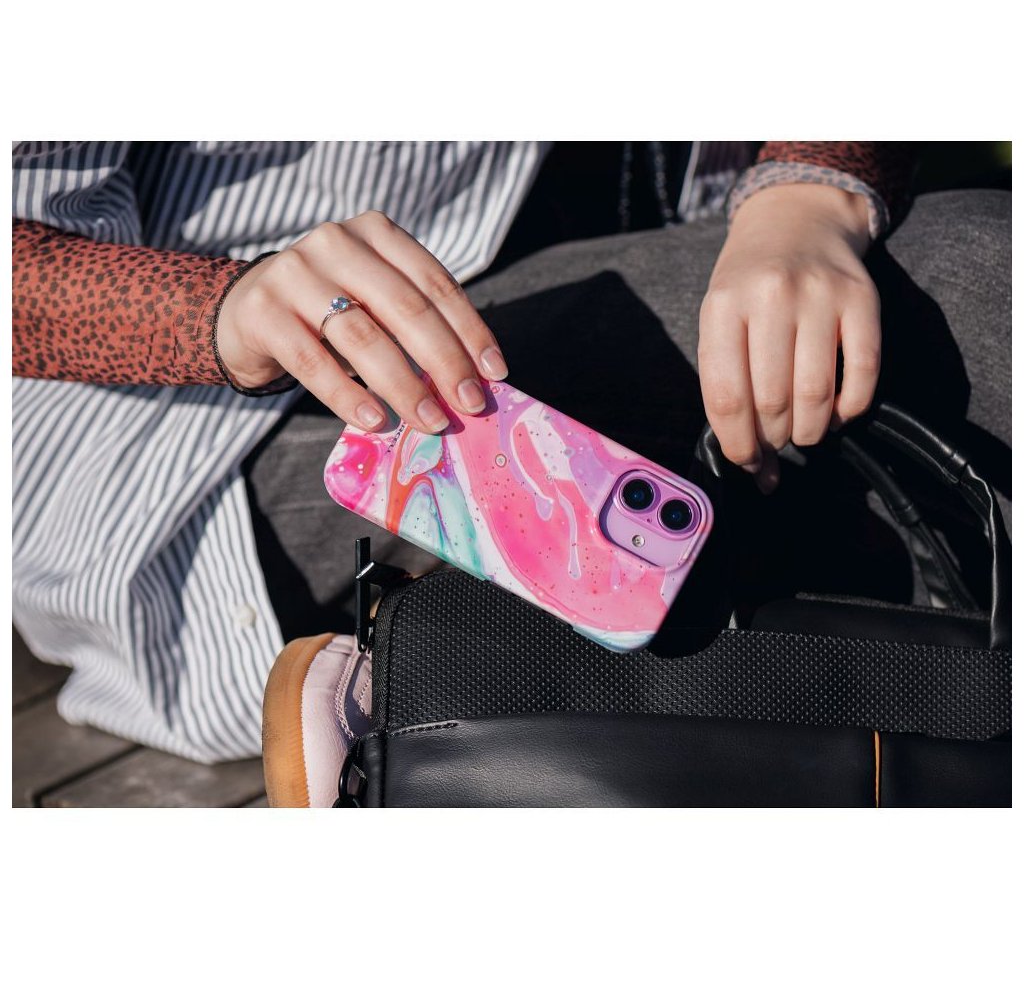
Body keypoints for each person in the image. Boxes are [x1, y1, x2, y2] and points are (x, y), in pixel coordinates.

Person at [11, 142, 1010, 779]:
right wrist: (225, 306)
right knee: (975, 284)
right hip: (230, 439)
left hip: (660, 255)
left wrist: (805, 192)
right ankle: (428, 679)